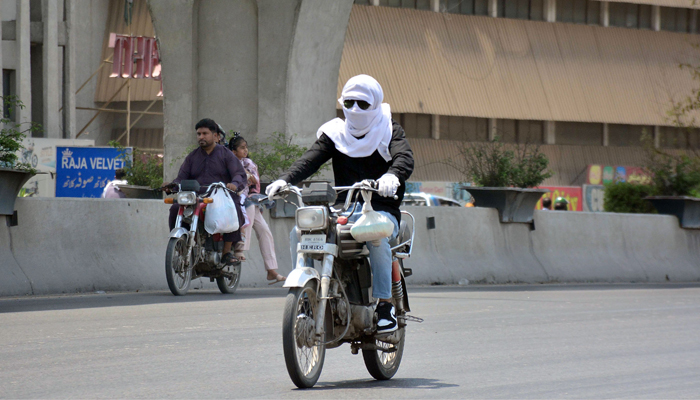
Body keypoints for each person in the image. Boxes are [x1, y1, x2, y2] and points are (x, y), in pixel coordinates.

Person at [266, 74, 414, 334]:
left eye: (363, 104)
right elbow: (310, 160)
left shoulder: (389, 129)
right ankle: (306, 293)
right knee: (300, 232)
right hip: (345, 208)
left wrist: (392, 175)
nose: (355, 110)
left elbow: (404, 156)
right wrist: (284, 179)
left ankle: (384, 305)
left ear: (376, 104)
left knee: (376, 235)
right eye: (349, 103)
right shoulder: (335, 133)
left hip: (380, 207)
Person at [162, 118, 247, 266]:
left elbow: (239, 174)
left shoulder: (226, 154)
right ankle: (182, 247)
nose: (201, 137)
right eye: (199, 134)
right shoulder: (192, 157)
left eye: (205, 133)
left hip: (220, 197)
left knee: (233, 207)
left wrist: (234, 184)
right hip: (196, 197)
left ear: (215, 136)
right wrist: (171, 186)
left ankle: (227, 252)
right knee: (175, 208)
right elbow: (181, 178)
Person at [229, 133, 286, 284]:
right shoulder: (228, 161)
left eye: (246, 147)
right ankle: (240, 249)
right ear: (234, 151)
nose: (245, 150)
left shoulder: (248, 163)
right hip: (233, 197)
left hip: (249, 198)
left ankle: (271, 270)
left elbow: (253, 179)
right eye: (242, 148)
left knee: (265, 231)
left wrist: (244, 174)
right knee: (250, 210)